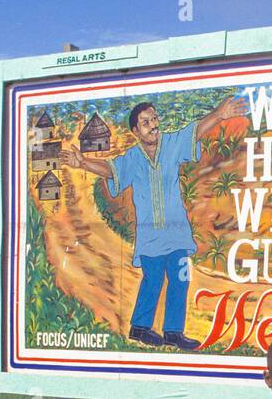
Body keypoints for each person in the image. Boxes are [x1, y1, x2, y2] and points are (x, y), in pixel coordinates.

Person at [61, 94, 246, 350]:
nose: (153, 125)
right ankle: (140, 328)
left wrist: (218, 114)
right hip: (150, 237)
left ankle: (173, 332)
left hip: (178, 234)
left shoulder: (171, 144)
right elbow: (111, 170)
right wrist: (83, 163)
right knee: (153, 280)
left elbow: (193, 133)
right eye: (146, 122)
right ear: (136, 131)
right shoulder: (131, 158)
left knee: (180, 280)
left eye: (155, 119)